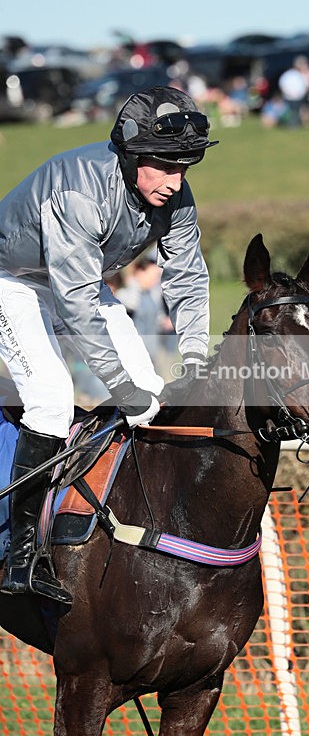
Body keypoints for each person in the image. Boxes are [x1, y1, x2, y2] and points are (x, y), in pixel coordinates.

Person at [0, 85, 218, 604]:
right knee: (52, 398)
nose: (175, 182)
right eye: (164, 166)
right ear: (132, 155)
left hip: (74, 279)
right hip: (12, 279)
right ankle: (21, 555)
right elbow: (76, 304)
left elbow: (187, 277)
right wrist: (119, 388)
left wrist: (194, 357)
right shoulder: (80, 191)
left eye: (183, 167)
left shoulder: (176, 197)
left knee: (149, 392)